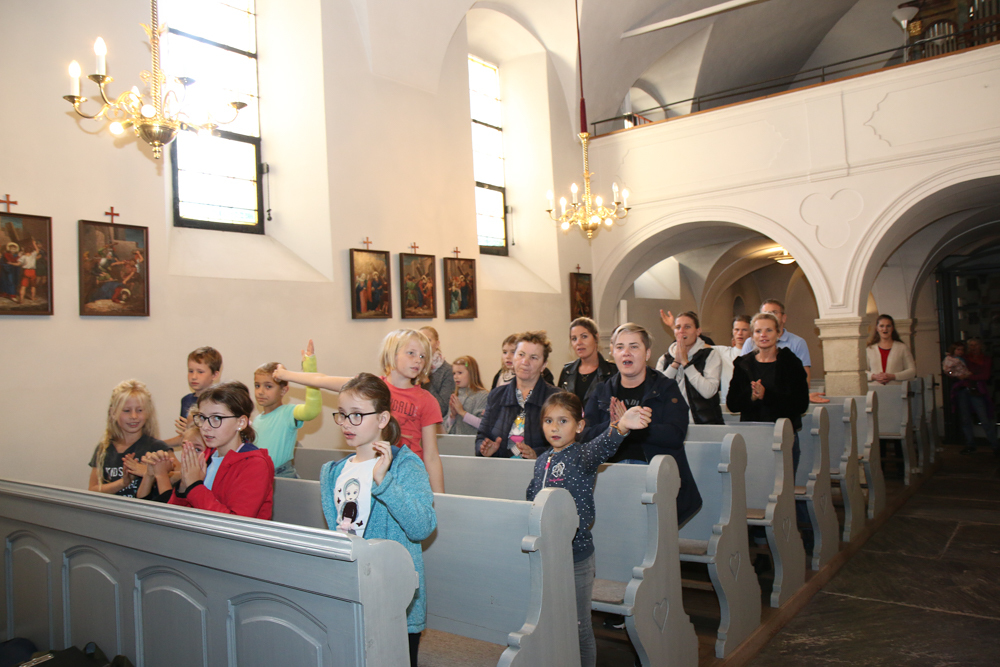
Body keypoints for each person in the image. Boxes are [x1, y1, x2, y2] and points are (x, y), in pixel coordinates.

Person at [526, 392, 652, 667]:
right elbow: (532, 499)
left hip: (576, 555)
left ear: (579, 426)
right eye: (548, 420)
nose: (555, 427)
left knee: (579, 624)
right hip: (547, 554)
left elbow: (603, 446)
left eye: (563, 421)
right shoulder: (541, 460)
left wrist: (621, 426)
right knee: (552, 619)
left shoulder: (581, 456)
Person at [319, 373, 436, 667]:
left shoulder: (404, 464)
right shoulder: (333, 472)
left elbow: (422, 526)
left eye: (357, 415)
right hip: (352, 587)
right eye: (342, 414)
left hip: (393, 591)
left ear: (383, 419)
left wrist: (384, 483)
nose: (346, 423)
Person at [274, 331, 445, 493]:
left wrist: (440, 498)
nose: (418, 361)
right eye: (411, 353)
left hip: (406, 474)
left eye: (423, 356)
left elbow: (431, 455)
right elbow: (322, 380)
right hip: (371, 469)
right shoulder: (370, 388)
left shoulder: (427, 401)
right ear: (392, 354)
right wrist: (285, 374)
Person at [582, 323, 701, 524]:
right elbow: (584, 435)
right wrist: (617, 427)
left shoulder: (665, 388)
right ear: (613, 353)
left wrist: (635, 428)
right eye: (620, 347)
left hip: (654, 476)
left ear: (647, 353)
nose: (626, 353)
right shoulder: (602, 391)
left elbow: (676, 434)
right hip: (608, 477)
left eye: (634, 346)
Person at [169, 381, 275, 518]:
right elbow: (175, 516)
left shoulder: (255, 465)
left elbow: (235, 522)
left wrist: (194, 486)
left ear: (241, 422)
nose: (205, 427)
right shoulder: (206, 456)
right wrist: (184, 486)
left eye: (217, 418)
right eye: (202, 417)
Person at [727, 312, 810, 470]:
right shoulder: (743, 364)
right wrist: (751, 397)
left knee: (784, 483)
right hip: (752, 435)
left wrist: (766, 395)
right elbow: (732, 404)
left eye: (769, 330)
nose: (763, 335)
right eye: (758, 331)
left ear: (778, 333)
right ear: (753, 336)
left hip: (782, 435)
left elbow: (801, 404)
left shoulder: (791, 363)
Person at [477, 331, 562, 459]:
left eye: (534, 357)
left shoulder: (557, 399)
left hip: (540, 469)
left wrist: (537, 455)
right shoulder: (496, 395)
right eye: (521, 354)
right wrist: (484, 449)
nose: (525, 362)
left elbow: (567, 444)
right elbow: (481, 436)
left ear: (544, 365)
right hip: (499, 468)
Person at [88, 379, 171, 497]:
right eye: (127, 411)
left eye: (139, 410)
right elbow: (93, 490)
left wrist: (149, 472)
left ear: (148, 412)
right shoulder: (103, 449)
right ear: (113, 413)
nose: (133, 416)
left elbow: (181, 476)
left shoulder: (157, 448)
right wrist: (123, 483)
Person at [253, 340, 323, 478]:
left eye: (268, 386)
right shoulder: (256, 420)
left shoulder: (288, 413)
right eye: (257, 385)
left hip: (282, 476)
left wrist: (310, 368)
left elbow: (312, 410)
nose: (260, 391)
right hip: (260, 476)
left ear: (284, 390)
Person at [740, 299, 827, 403]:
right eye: (765, 313)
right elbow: (743, 376)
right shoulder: (750, 342)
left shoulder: (797, 342)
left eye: (774, 312)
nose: (770, 316)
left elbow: (804, 378)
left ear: (784, 318)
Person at [655, 311, 724, 424]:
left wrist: (686, 364)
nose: (682, 331)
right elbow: (657, 392)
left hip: (704, 423)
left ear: (698, 331)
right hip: (672, 424)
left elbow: (708, 392)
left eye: (687, 327)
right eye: (678, 327)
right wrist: (675, 364)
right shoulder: (665, 359)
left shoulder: (710, 355)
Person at [166, 346, 223, 446]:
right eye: (190, 371)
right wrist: (157, 444)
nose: (194, 377)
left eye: (200, 372)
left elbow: (221, 437)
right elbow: (185, 437)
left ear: (215, 375)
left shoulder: (219, 402)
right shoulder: (186, 400)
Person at [952, 338, 998, 456]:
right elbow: (952, 371)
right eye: (971, 345)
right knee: (965, 419)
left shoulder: (985, 359)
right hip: (963, 390)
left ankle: (995, 445)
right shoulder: (964, 359)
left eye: (976, 345)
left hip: (977, 390)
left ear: (980, 346)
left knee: (984, 419)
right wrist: (953, 374)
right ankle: (970, 444)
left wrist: (967, 376)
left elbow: (985, 375)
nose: (973, 348)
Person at [558, 317, 615, 408]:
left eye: (584, 336)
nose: (579, 342)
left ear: (596, 338)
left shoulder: (612, 371)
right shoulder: (567, 371)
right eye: (574, 339)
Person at [866, 314, 916, 384]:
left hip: (897, 388)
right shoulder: (870, 349)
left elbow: (912, 371)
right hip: (874, 389)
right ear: (877, 328)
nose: (885, 329)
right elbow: (862, 372)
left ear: (892, 328)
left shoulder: (902, 348)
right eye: (881, 326)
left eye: (888, 326)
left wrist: (893, 376)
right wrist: (874, 376)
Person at [444, 355, 490, 435]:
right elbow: (447, 426)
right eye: (454, 373)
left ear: (471, 374)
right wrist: (452, 416)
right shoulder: (456, 395)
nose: (455, 377)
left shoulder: (483, 396)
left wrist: (462, 412)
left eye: (460, 373)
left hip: (474, 441)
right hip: (457, 441)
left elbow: (484, 425)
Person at [420, 326, 455, 420]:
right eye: (421, 340)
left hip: (435, 423)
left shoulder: (448, 371)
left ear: (437, 344)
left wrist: (426, 382)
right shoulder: (411, 367)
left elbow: (443, 409)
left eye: (428, 340)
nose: (424, 344)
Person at [714, 315, 752, 404]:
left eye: (744, 330)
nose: (740, 333)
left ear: (751, 332)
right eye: (737, 329)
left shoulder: (757, 354)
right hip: (728, 403)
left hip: (751, 402)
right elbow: (699, 345)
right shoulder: (723, 352)